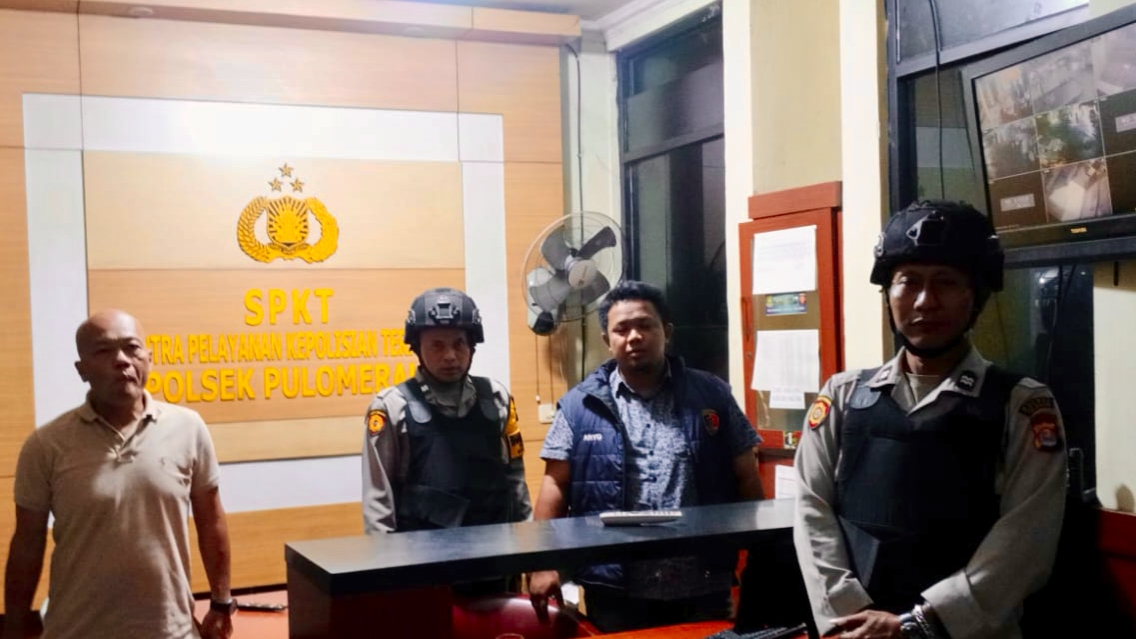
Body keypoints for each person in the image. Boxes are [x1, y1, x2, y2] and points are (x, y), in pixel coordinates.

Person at [793, 200, 1068, 639]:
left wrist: (919, 623)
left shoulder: (1021, 404)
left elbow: (1027, 539)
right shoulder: (843, 396)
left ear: (975, 295)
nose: (925, 301)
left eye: (946, 282)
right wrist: (853, 614)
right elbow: (812, 509)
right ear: (888, 293)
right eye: (908, 282)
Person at [528, 280, 763, 633]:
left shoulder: (711, 394)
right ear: (607, 340)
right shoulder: (579, 406)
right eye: (621, 329)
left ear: (666, 331)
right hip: (615, 588)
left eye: (645, 325)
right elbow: (555, 486)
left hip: (703, 582)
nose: (634, 336)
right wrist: (542, 562)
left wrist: (762, 552)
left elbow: (746, 475)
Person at [3, 310, 234, 639]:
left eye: (132, 347)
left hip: (170, 629)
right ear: (82, 370)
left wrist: (221, 601)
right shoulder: (46, 444)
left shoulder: (188, 428)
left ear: (148, 359)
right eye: (104, 351)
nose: (122, 360)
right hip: (76, 629)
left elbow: (211, 520)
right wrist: (14, 623)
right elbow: (27, 541)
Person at [361, 287, 531, 537]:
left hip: (496, 551)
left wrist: (528, 545)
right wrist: (387, 559)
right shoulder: (392, 407)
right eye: (437, 346)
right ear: (417, 348)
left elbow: (516, 480)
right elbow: (378, 503)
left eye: (459, 343)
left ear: (472, 346)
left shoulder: (497, 398)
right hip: (423, 556)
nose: (450, 356)